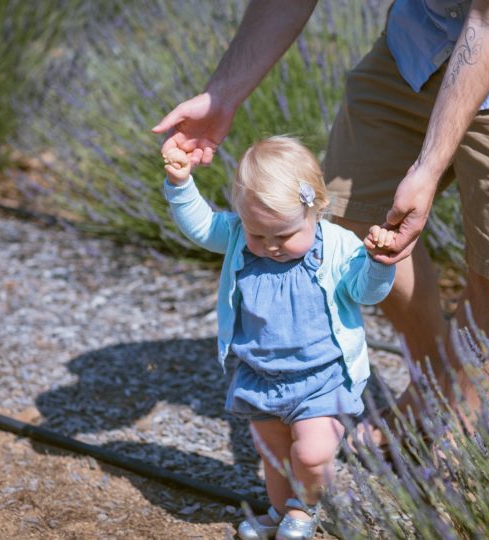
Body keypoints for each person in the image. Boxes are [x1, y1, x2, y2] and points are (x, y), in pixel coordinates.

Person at [153, 0, 489, 447]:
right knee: (355, 219)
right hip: (421, 39)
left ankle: (458, 445)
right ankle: (434, 384)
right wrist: (223, 95)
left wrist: (428, 169)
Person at [161, 135, 395, 539]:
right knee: (273, 457)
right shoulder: (238, 238)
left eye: (283, 236)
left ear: (317, 209)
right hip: (260, 375)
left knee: (312, 451)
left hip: (322, 377)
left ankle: (304, 509)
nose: (271, 246)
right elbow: (201, 226)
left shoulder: (337, 247)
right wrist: (181, 185)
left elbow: (366, 293)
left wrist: (379, 264)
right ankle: (279, 510)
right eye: (258, 234)